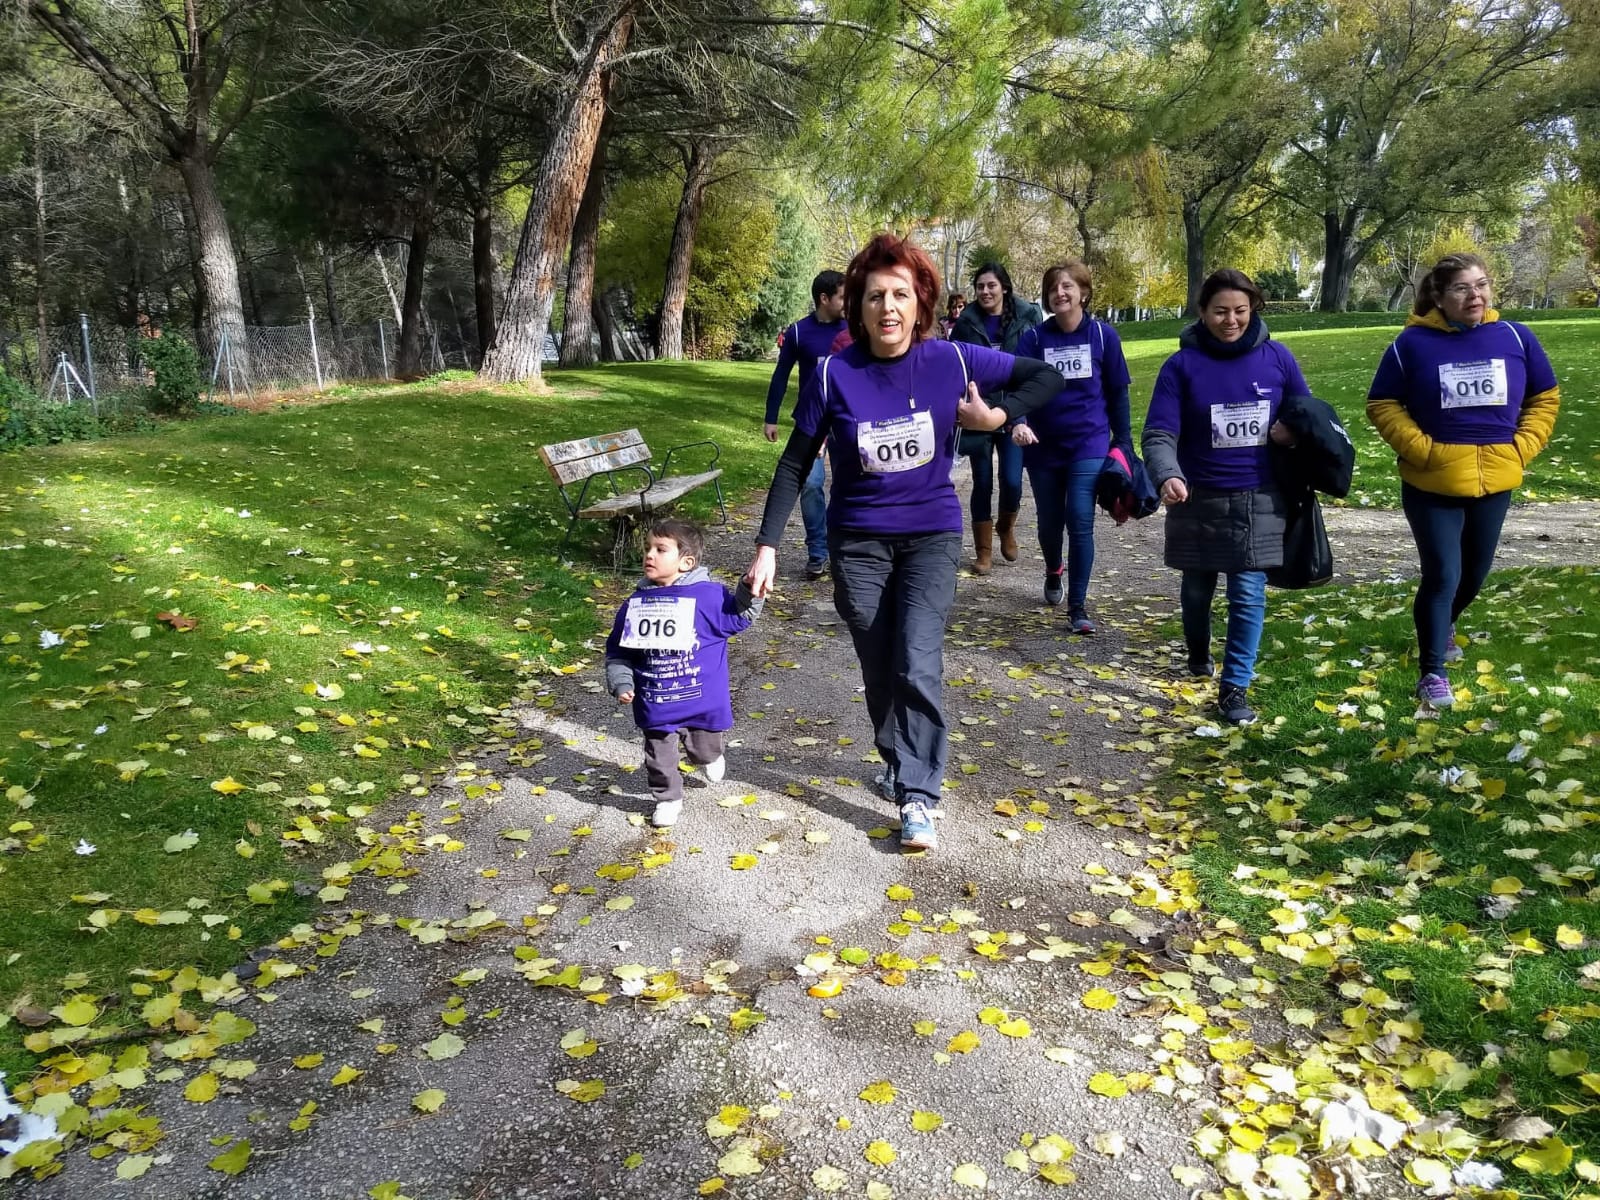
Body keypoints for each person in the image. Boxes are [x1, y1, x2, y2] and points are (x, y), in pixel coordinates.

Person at [744, 234, 1060, 852]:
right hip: (858, 541)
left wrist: (998, 417)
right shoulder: (835, 374)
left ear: (920, 304)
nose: (888, 307)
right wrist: (768, 545)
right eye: (874, 296)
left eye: (900, 295)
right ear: (857, 308)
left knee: (917, 657)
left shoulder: (952, 360)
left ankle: (918, 794)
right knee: (879, 660)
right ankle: (896, 754)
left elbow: (1043, 376)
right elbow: (792, 464)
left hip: (930, 536)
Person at [1366, 252, 1560, 709]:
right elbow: (1383, 404)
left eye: (1482, 285)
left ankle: (1442, 623)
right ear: (1439, 295)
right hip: (1432, 481)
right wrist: (1424, 450)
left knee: (1473, 574)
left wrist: (1521, 447)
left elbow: (1545, 397)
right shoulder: (1410, 345)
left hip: (1497, 476)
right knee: (1443, 574)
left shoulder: (1516, 336)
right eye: (1461, 288)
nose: (1475, 295)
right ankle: (1432, 672)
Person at [1142, 269, 1310, 727]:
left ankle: (1235, 687)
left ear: (1253, 309)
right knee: (1197, 591)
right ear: (1201, 313)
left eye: (1240, 311)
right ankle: (1199, 650)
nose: (1231, 320)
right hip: (1197, 497)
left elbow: (1309, 413)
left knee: (1248, 592)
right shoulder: (1181, 367)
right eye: (1220, 311)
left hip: (1260, 496)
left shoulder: (1277, 359)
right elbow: (1158, 432)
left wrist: (1294, 430)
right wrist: (1167, 475)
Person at [606, 518, 763, 828]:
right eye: (648, 548)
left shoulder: (707, 597)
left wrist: (749, 588)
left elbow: (741, 616)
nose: (649, 555)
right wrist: (621, 680)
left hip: (701, 702)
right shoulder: (635, 604)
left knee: (704, 750)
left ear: (686, 562)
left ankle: (710, 757)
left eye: (660, 549)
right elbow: (618, 651)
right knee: (658, 756)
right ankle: (667, 798)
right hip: (656, 703)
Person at [1013, 259, 1132, 632]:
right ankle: (1053, 568)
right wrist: (1018, 422)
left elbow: (1117, 392)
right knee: (1050, 523)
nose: (1059, 293)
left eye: (1067, 286)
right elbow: (1017, 389)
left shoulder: (1102, 336)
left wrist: (1124, 440)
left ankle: (1078, 607)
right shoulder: (1033, 339)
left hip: (1088, 442)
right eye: (1053, 288)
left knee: (1080, 518)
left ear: (1083, 292)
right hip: (1043, 446)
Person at [949, 263, 1044, 574]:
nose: (985, 292)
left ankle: (1006, 526)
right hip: (979, 408)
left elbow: (1035, 363)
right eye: (980, 287)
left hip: (1014, 410)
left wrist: (1022, 410)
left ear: (1004, 287)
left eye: (991, 286)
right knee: (982, 481)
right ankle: (984, 553)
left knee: (1013, 481)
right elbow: (957, 365)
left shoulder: (1028, 315)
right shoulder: (966, 321)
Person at [764, 270, 847, 580]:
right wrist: (771, 417)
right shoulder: (799, 332)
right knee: (810, 485)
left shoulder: (855, 329)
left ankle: (845, 550)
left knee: (846, 486)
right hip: (812, 424)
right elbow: (781, 376)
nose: (847, 301)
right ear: (824, 299)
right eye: (842, 296)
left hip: (846, 423)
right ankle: (818, 552)